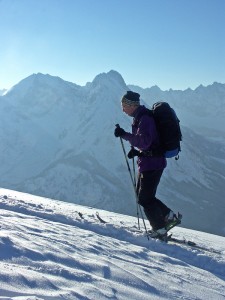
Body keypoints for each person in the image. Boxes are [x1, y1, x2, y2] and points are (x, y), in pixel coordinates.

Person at [114, 91, 180, 238]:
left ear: (131, 105)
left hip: (152, 164)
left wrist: (124, 135)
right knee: (144, 196)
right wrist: (137, 152)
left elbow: (144, 141)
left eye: (124, 105)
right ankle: (168, 217)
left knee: (145, 198)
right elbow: (148, 142)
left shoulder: (145, 119)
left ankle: (159, 229)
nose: (122, 109)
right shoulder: (140, 117)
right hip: (150, 162)